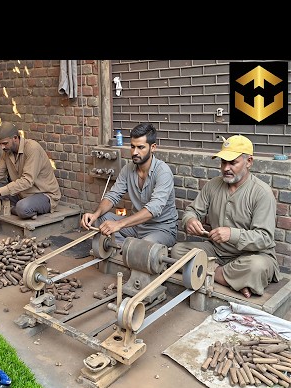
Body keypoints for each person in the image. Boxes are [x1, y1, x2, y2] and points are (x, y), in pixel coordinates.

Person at [170, 134, 280, 299]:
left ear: (249, 162)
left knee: (257, 267)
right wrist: (190, 220)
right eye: (223, 162)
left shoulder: (261, 193)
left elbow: (264, 238)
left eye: (233, 162)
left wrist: (232, 234)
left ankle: (212, 272)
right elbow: (192, 210)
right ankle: (234, 281)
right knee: (178, 251)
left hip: (251, 255)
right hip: (217, 251)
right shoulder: (213, 185)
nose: (226, 168)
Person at [80, 122, 178, 247]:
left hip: (161, 230)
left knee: (144, 245)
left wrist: (119, 224)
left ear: (153, 147)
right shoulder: (128, 169)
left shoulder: (163, 172)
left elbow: (153, 209)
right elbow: (113, 196)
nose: (135, 152)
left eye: (140, 147)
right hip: (136, 227)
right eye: (132, 146)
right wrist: (95, 214)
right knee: (102, 219)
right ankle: (125, 250)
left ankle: (131, 250)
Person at [0, 122, 61, 219]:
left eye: (5, 143)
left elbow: (27, 181)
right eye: (0, 144)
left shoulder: (32, 149)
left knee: (22, 208)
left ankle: (17, 209)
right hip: (21, 193)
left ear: (15, 138)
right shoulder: (7, 152)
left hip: (43, 194)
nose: (2, 147)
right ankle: (20, 209)